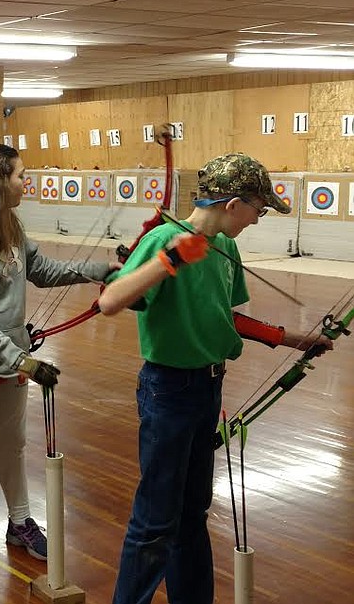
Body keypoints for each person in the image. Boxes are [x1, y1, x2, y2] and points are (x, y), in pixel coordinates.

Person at [98, 153, 331, 604]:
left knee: (191, 515)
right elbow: (111, 301)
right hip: (169, 392)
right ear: (233, 203)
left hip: (207, 389)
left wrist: (293, 339)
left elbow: (226, 318)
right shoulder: (165, 239)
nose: (258, 220)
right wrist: (170, 259)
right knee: (155, 521)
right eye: (258, 210)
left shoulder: (227, 246)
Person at [0, 143, 117, 578]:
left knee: (13, 443)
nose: (26, 182)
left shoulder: (10, 226)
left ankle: (20, 523)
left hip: (13, 358)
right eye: (20, 175)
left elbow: (43, 270)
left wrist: (102, 269)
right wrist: (22, 359)